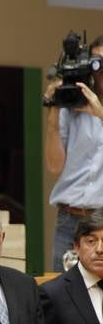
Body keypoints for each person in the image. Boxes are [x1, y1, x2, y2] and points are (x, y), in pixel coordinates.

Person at [45, 34, 103, 271]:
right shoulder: (72, 106)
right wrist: (54, 112)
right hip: (70, 218)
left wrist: (100, 113)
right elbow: (54, 166)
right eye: (97, 61)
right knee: (62, 295)